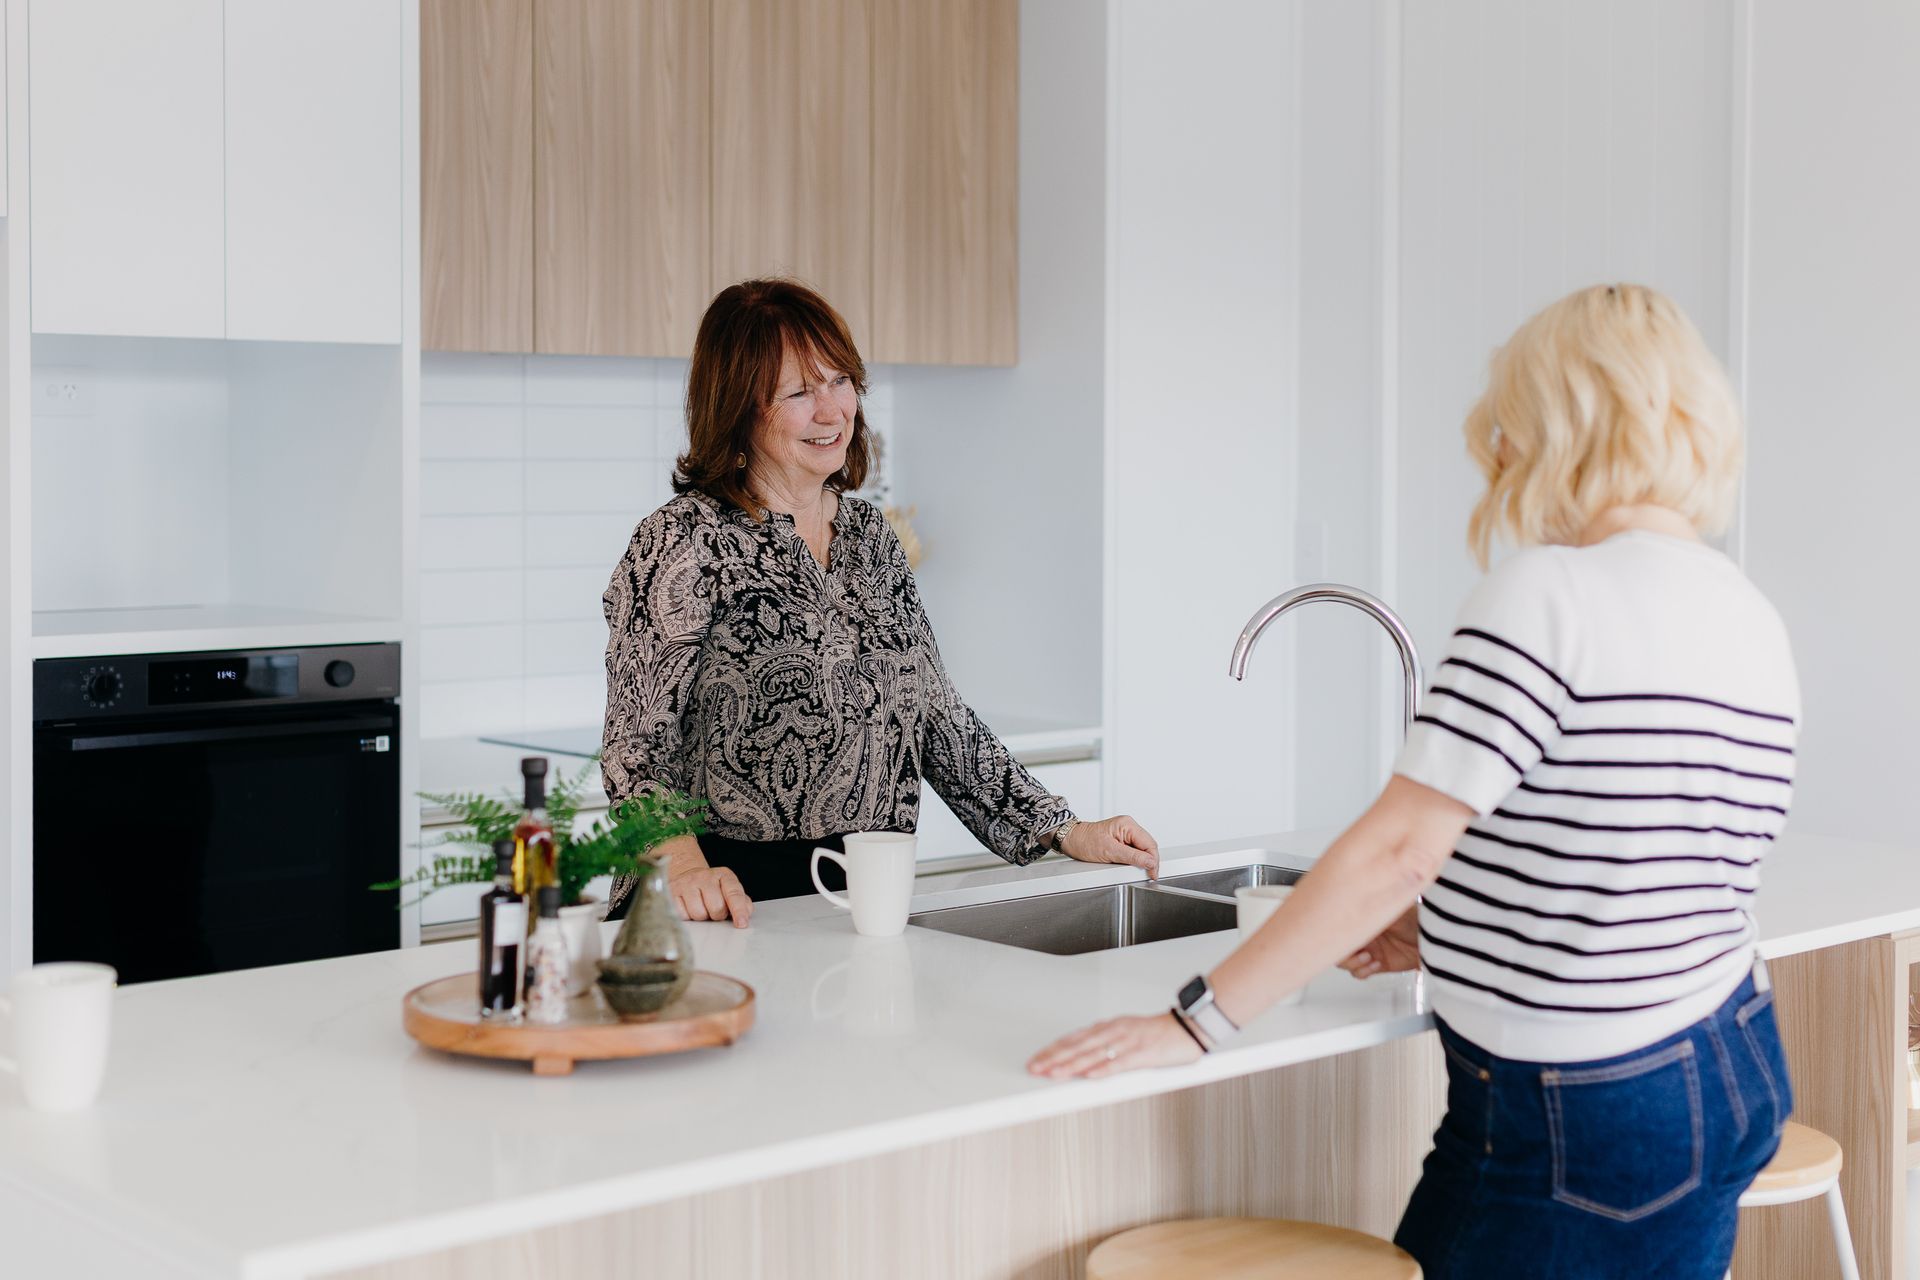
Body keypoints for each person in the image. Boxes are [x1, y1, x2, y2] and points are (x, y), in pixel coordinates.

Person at [1028, 284, 1798, 1279]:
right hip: (1723, 1051)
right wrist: (1444, 929)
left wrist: (1194, 1022)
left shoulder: (1549, 594)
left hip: (1581, 1103)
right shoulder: (1742, 610)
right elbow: (1634, 856)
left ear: (1555, 424)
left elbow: (1398, 847)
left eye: (1509, 424)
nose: (1497, 450)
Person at [602, 279, 1158, 925]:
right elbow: (634, 749)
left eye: (840, 381)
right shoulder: (682, 539)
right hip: (719, 899)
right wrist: (681, 862)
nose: (832, 410)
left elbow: (936, 717)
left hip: (858, 894)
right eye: (799, 392)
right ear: (739, 408)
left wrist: (1065, 830)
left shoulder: (871, 538)